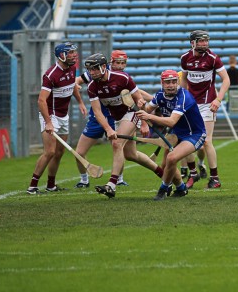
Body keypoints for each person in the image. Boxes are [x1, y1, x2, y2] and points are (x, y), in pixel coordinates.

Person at [84, 53, 167, 199]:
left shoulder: (122, 78)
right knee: (131, 155)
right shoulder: (92, 86)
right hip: (117, 119)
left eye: (95, 69)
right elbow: (97, 112)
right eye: (90, 70)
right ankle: (164, 175)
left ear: (104, 67)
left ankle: (111, 185)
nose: (92, 72)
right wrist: (108, 129)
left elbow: (139, 100)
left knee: (117, 144)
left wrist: (143, 122)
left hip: (131, 113)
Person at [27, 42, 86, 194]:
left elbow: (72, 85)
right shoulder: (51, 75)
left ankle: (51, 185)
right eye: (70, 52)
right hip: (51, 115)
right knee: (50, 152)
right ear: (61, 55)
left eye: (74, 52)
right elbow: (41, 100)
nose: (74, 55)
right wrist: (48, 122)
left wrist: (80, 102)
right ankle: (32, 186)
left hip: (63, 115)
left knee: (59, 152)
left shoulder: (72, 68)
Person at [139, 70, 207, 200]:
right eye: (167, 82)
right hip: (177, 133)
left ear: (178, 82)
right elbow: (147, 111)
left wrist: (149, 116)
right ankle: (181, 188)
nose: (171, 85)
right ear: (162, 83)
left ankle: (163, 189)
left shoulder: (184, 97)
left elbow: (171, 122)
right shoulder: (159, 95)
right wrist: (142, 107)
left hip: (194, 134)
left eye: (174, 82)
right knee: (166, 165)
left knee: (171, 158)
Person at [73, 49, 131, 189]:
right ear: (110, 62)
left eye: (123, 63)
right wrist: (80, 101)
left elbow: (135, 93)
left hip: (115, 117)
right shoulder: (95, 71)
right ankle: (84, 180)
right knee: (79, 152)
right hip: (96, 117)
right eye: (118, 62)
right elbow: (76, 82)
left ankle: (119, 179)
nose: (121, 66)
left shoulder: (122, 77)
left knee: (118, 147)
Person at [179, 29, 230, 189]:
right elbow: (184, 80)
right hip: (190, 104)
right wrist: (181, 100)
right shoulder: (185, 58)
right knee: (188, 140)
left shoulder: (213, 58)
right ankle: (193, 174)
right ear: (192, 43)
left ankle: (215, 178)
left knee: (206, 141)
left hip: (208, 104)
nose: (204, 44)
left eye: (206, 41)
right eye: (201, 41)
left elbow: (226, 80)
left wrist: (218, 99)